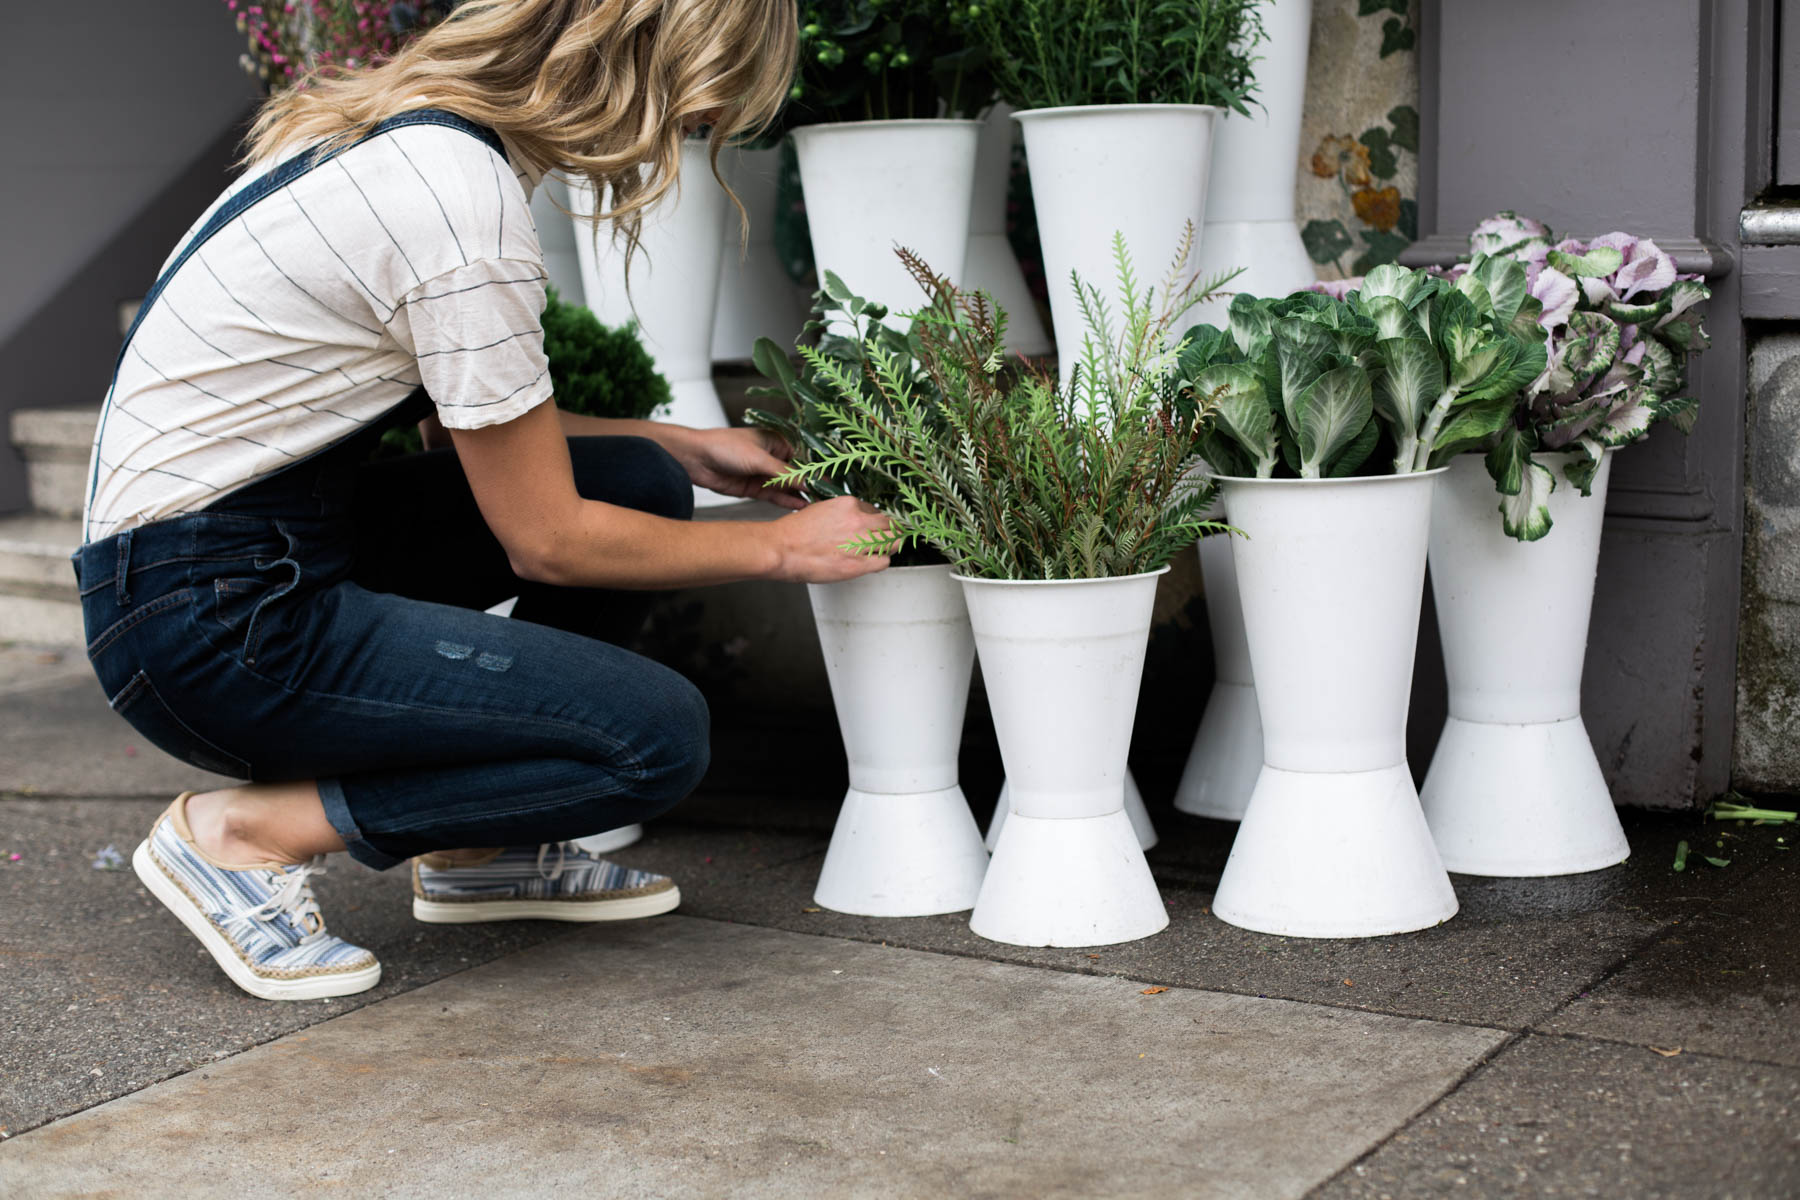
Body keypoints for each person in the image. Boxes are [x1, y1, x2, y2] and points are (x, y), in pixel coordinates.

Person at [75, 0, 891, 1002]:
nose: (687, 144)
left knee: (637, 478)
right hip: (215, 624)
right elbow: (547, 539)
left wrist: (685, 446)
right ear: (648, 65)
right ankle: (240, 836)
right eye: (699, 112)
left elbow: (458, 434)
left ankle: (483, 850)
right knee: (654, 737)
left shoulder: (394, 140)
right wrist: (782, 547)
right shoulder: (461, 202)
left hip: (213, 568)